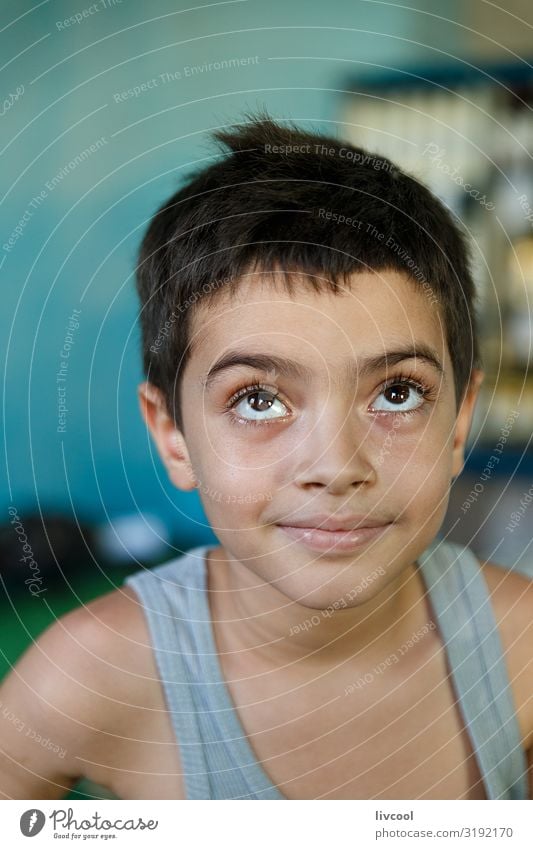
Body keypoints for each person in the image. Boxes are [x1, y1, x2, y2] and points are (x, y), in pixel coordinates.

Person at [1, 113, 532, 801]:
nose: (336, 464)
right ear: (173, 436)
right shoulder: (91, 675)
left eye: (397, 392)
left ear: (457, 424)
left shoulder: (518, 650)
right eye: (257, 399)